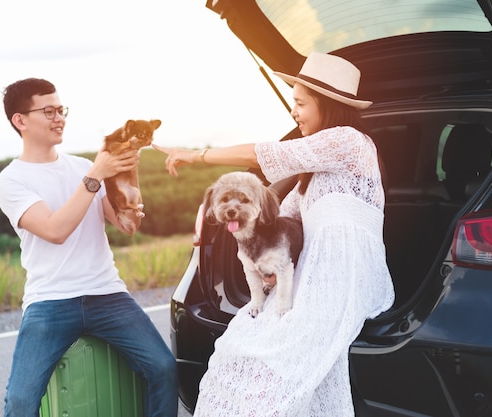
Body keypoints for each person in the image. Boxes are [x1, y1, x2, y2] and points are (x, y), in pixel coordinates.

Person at [153, 52, 395, 416]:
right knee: (237, 349)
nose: (293, 112)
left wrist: (196, 156)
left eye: (300, 103)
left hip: (345, 279)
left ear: (327, 105)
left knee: (274, 368)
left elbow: (267, 152)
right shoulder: (309, 181)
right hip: (313, 280)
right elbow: (279, 222)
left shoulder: (350, 141)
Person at [0, 78, 178, 417]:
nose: (59, 118)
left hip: (106, 293)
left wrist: (129, 173)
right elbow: (54, 230)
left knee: (164, 368)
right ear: (20, 121)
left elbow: (127, 225)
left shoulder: (81, 166)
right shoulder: (10, 180)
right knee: (19, 402)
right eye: (48, 111)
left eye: (60, 110)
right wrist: (96, 174)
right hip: (50, 301)